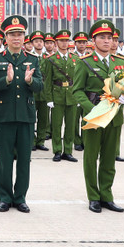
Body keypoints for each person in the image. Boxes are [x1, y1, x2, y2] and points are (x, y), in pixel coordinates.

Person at [72, 19, 124, 213]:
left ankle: (107, 195)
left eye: (110, 38)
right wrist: (92, 109)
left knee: (108, 159)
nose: (107, 41)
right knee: (91, 158)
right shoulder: (85, 62)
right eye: (102, 38)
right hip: (94, 115)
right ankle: (93, 197)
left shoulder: (121, 62)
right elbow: (77, 90)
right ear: (94, 40)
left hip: (114, 116)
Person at [0, 15, 43, 214]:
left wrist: (30, 81)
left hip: (26, 116)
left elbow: (40, 86)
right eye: (12, 35)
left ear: (24, 37)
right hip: (4, 116)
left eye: (19, 34)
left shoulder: (33, 59)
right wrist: (7, 80)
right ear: (6, 37)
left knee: (24, 160)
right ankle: (4, 197)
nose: (16, 38)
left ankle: (20, 197)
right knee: (4, 160)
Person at [44, 29, 79, 163]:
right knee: (56, 125)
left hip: (71, 96)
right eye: (61, 41)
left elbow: (78, 80)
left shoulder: (75, 59)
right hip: (57, 95)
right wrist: (49, 99)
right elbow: (47, 81)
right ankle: (57, 150)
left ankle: (68, 151)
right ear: (56, 42)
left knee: (70, 125)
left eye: (66, 40)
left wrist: (79, 97)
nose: (64, 43)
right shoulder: (51, 60)